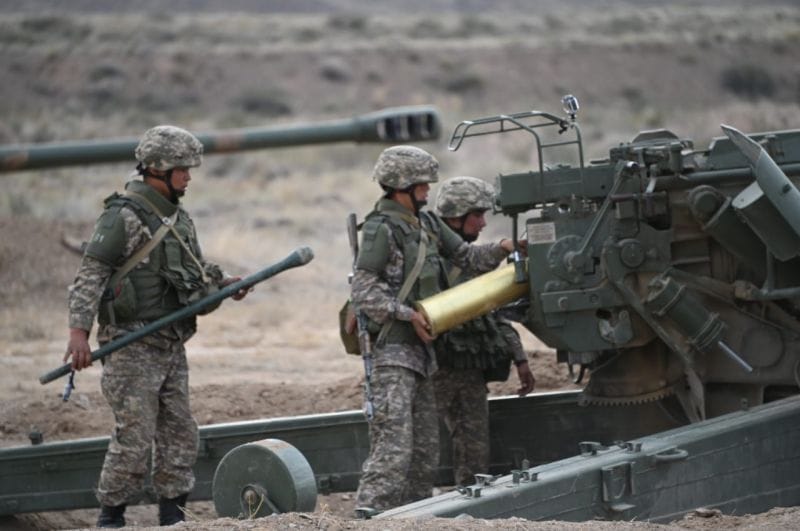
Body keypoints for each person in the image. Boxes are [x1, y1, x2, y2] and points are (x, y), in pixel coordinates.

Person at [64, 125, 249, 528]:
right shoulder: (123, 216)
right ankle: (111, 518)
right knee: (134, 438)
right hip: (131, 345)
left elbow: (193, 269)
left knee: (180, 435)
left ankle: (173, 519)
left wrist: (222, 284)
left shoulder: (177, 217)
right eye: (182, 169)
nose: (188, 177)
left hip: (170, 343)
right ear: (158, 169)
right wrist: (79, 332)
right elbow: (91, 273)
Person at [350, 146, 519, 513]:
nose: (428, 192)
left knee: (423, 456)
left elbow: (468, 258)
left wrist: (506, 247)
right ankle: (367, 517)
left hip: (423, 358)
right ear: (402, 187)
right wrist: (407, 314)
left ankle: (414, 517)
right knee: (392, 452)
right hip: (393, 355)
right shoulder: (382, 227)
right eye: (423, 185)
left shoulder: (426, 224)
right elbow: (363, 290)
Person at [432, 176, 536, 487]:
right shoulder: (427, 259)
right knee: (419, 447)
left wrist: (520, 359)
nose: (483, 222)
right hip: (434, 369)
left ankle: (471, 504)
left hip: (469, 369)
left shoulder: (471, 261)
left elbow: (493, 314)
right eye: (477, 215)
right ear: (455, 216)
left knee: (475, 453)